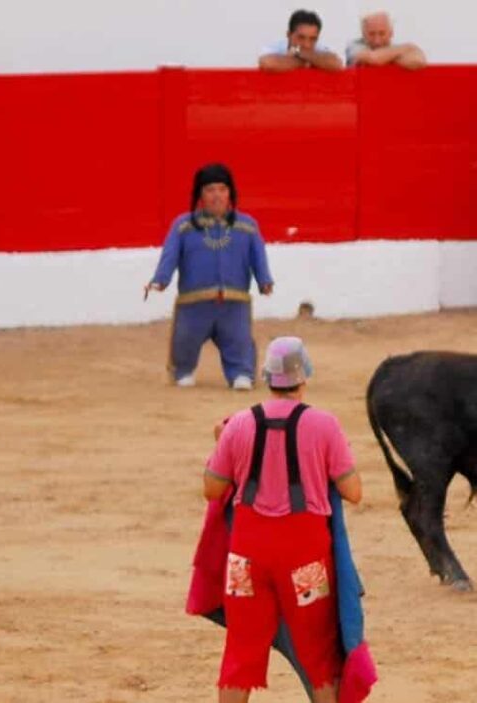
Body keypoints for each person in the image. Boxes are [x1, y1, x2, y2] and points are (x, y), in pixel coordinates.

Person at [204, 336, 363, 703]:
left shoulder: (239, 424)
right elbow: (353, 492)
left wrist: (220, 443)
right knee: (319, 655)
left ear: (267, 378)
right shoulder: (325, 425)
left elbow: (213, 490)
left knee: (241, 650)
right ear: (304, 376)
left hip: (247, 556)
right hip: (304, 557)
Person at [145, 163, 273, 390]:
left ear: (230, 193)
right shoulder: (183, 226)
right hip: (193, 304)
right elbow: (170, 255)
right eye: (210, 190)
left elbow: (258, 257)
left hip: (234, 304)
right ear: (200, 195)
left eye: (222, 189)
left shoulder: (248, 226)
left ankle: (242, 373)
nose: (217, 196)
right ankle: (183, 371)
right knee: (185, 340)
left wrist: (264, 281)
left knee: (239, 340)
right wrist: (160, 279)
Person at [258, 10, 342, 73]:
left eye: (313, 39)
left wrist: (298, 53)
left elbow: (337, 64)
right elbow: (268, 64)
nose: (307, 44)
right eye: (301, 38)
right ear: (289, 35)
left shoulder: (318, 48)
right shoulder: (276, 47)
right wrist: (309, 61)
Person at [345, 11, 426, 69]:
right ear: (363, 34)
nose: (377, 40)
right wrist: (408, 48)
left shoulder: (396, 48)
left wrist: (384, 58)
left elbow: (417, 61)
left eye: (382, 33)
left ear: (391, 33)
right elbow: (373, 58)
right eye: (371, 34)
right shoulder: (354, 46)